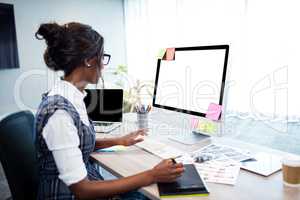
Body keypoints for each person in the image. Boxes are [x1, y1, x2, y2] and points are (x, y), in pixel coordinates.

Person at [34, 22, 184, 200]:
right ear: (89, 60)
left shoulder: (70, 96)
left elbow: (75, 144)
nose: (104, 66)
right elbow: (83, 191)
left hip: (87, 183)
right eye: (102, 57)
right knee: (154, 192)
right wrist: (152, 174)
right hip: (70, 195)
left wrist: (119, 140)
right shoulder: (59, 114)